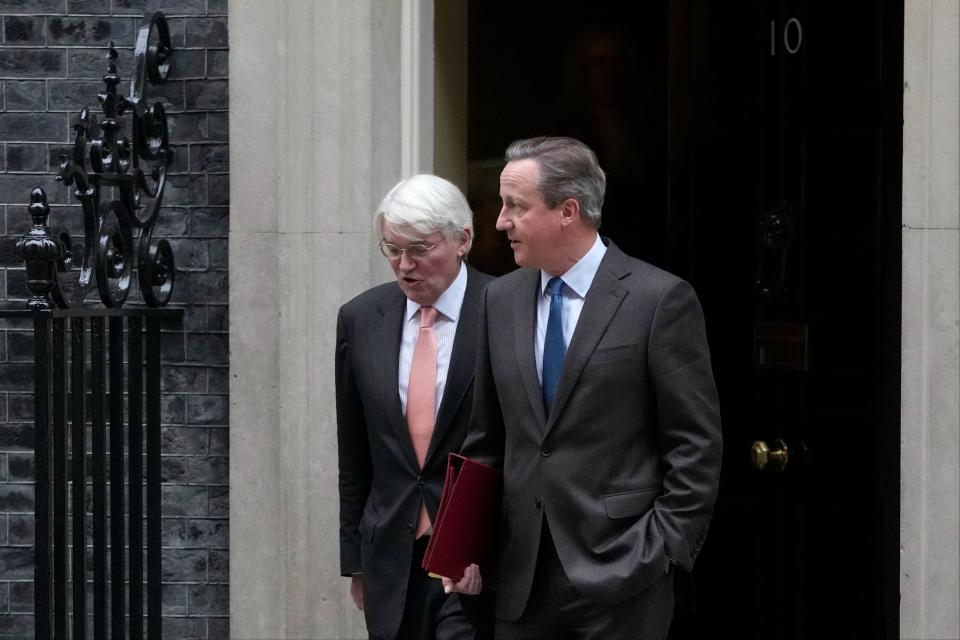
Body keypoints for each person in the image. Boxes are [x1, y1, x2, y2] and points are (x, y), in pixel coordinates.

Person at [445, 136, 722, 639]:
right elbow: (486, 437)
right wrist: (463, 545)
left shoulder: (659, 300)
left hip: (623, 575)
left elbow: (695, 446)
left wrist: (659, 550)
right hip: (519, 578)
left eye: (515, 207)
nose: (500, 222)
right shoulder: (499, 300)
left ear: (568, 211)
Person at [337, 175, 493, 640]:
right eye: (392, 249)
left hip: (472, 565)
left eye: (420, 249)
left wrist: (488, 549)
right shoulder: (360, 318)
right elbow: (355, 449)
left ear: (462, 239)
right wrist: (356, 562)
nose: (404, 266)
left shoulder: (506, 309)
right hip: (390, 558)